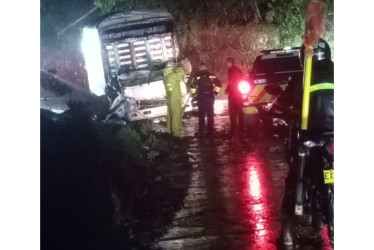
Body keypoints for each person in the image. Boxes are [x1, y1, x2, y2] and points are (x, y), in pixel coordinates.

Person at [281, 38, 334, 246]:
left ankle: (287, 232)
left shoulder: (302, 79)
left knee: (294, 181)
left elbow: (286, 104)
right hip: (334, 138)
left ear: (304, 58)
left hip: (310, 141)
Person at [190, 63, 222, 137]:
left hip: (201, 98)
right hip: (210, 98)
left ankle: (201, 132)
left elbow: (192, 87)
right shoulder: (211, 75)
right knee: (210, 115)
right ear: (206, 68)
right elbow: (219, 84)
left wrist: (194, 95)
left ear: (201, 68)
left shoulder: (196, 76)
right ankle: (211, 131)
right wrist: (216, 92)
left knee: (201, 115)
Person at [163, 61, 186, 137]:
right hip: (174, 98)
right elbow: (181, 72)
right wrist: (178, 66)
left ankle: (170, 132)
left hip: (170, 99)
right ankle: (176, 134)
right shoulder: (172, 76)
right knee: (176, 116)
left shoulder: (166, 76)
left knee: (171, 116)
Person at [225, 57, 244, 135]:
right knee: (240, 111)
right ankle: (241, 128)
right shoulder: (238, 70)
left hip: (233, 94)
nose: (226, 64)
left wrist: (227, 90)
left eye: (227, 63)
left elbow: (232, 81)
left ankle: (233, 130)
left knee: (232, 113)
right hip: (239, 94)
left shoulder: (231, 70)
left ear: (230, 63)